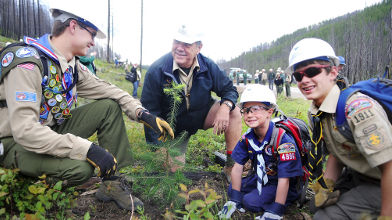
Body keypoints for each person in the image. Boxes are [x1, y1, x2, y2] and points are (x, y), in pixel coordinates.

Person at [0, 8, 174, 211]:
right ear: (73, 26)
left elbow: (109, 90)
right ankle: (34, 184)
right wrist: (88, 149)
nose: (93, 42)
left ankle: (112, 184)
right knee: (82, 168)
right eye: (92, 34)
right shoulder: (27, 63)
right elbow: (25, 131)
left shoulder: (71, 66)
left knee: (108, 106)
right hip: (14, 144)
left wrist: (142, 114)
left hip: (50, 131)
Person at [286, 37, 392, 219]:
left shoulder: (357, 109)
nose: (304, 80)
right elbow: (338, 151)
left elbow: (389, 166)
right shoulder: (317, 113)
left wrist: (386, 216)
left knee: (324, 217)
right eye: (298, 75)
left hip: (382, 179)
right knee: (314, 204)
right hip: (358, 172)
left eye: (312, 71)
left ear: (333, 72)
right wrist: (325, 190)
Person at [141, 25, 242, 179]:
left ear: (198, 47)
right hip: (171, 130)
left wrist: (225, 106)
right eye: (177, 42)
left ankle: (231, 165)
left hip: (201, 115)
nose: (179, 48)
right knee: (173, 172)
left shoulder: (207, 65)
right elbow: (149, 113)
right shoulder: (157, 70)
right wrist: (159, 148)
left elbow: (229, 89)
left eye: (186, 44)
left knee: (233, 110)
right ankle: (172, 153)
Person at [219, 84, 303, 219]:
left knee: (250, 202)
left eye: (255, 109)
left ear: (269, 112)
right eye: (246, 110)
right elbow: (237, 168)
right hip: (260, 177)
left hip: (280, 181)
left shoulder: (283, 140)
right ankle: (251, 196)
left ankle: (284, 200)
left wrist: (277, 209)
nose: (249, 115)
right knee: (233, 190)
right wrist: (234, 199)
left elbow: (284, 178)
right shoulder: (248, 138)